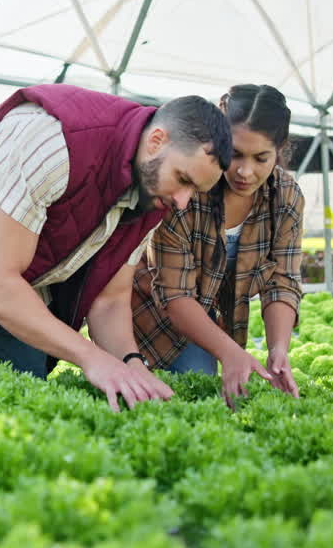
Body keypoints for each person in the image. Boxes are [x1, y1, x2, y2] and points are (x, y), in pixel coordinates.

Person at [0, 84, 233, 411]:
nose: (183, 201)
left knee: (27, 398)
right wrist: (91, 358)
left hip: (19, 271)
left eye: (195, 191)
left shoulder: (154, 193)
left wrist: (131, 364)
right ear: (157, 140)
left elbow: (110, 299)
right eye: (184, 179)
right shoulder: (55, 142)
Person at [131, 84, 305, 405]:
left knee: (213, 398)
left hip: (213, 317)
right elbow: (174, 293)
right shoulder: (189, 187)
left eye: (261, 158)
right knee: (184, 392)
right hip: (152, 313)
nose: (244, 171)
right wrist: (230, 352)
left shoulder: (285, 197)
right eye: (235, 154)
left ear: (279, 151)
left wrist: (278, 350)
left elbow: (282, 282)